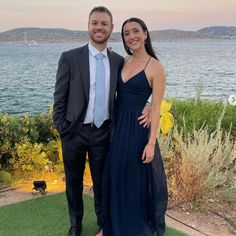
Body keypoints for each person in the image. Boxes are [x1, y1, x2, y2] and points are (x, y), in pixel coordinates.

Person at [53, 7, 149, 236]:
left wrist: (147, 106)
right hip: (74, 133)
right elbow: (59, 97)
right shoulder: (69, 57)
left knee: (103, 183)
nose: (99, 27)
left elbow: (131, 88)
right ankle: (75, 225)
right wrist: (62, 129)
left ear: (111, 28)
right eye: (95, 23)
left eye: (104, 24)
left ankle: (103, 223)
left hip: (104, 133)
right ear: (88, 26)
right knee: (73, 183)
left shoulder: (118, 61)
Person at [100, 18, 168, 236]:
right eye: (127, 33)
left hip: (136, 130)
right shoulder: (123, 61)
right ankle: (110, 226)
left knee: (131, 178)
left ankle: (131, 228)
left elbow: (156, 108)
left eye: (136, 31)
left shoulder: (156, 67)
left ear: (145, 34)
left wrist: (150, 143)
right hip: (117, 126)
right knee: (114, 174)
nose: (132, 36)